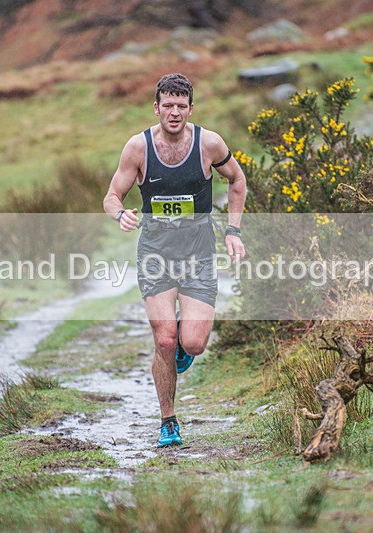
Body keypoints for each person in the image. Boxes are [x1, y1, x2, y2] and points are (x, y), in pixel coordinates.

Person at [103, 73, 246, 447]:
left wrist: (233, 231)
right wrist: (121, 215)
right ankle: (169, 421)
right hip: (156, 253)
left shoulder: (209, 144)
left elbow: (237, 180)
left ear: (190, 109)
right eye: (167, 105)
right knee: (164, 341)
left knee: (193, 343)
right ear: (156, 108)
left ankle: (185, 342)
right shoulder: (137, 148)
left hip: (199, 252)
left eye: (181, 106)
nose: (174, 112)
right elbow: (111, 196)